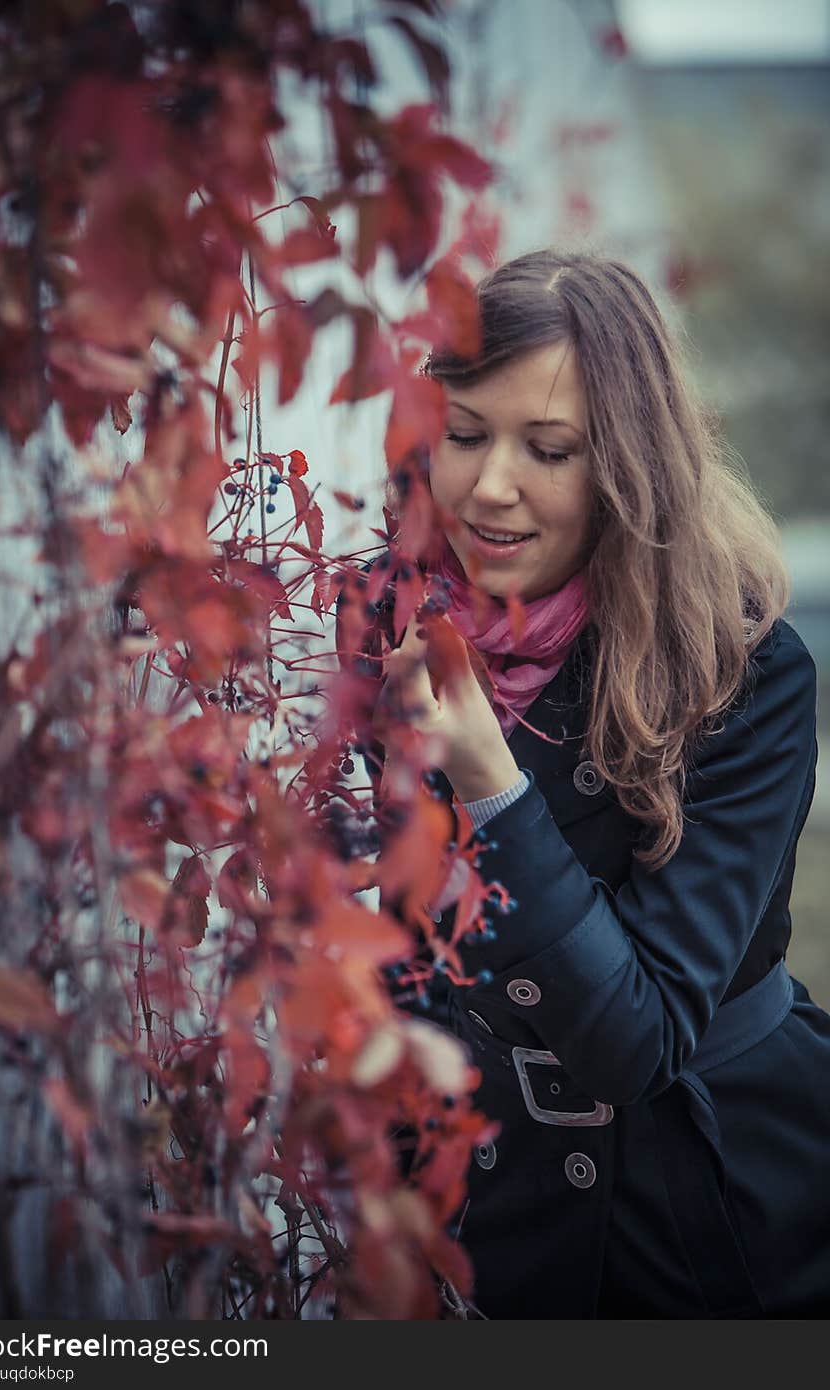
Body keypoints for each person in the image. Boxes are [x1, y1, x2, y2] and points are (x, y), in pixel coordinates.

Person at [334, 249, 830, 1319]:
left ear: (625, 466)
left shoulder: (743, 675)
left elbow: (632, 1042)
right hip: (485, 1207)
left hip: (703, 1206)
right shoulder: (391, 624)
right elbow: (402, 955)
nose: (490, 485)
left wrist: (490, 784)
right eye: (464, 435)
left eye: (547, 449)